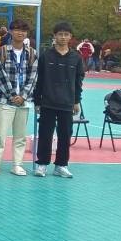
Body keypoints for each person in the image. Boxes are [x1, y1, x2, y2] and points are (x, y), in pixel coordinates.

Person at [33, 22, 85, 178]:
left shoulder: (76, 57)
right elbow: (39, 80)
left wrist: (76, 101)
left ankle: (61, 165)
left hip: (67, 103)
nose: (63, 37)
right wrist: (37, 101)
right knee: (45, 134)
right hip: (47, 102)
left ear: (70, 37)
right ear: (54, 36)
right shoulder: (46, 56)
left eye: (66, 34)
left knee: (65, 135)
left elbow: (78, 81)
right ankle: (42, 164)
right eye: (60, 34)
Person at [0, 19, 38, 176]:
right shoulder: (1, 52)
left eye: (23, 30)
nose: (20, 33)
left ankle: (17, 165)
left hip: (24, 101)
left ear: (26, 33)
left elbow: (33, 77)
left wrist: (23, 96)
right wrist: (12, 95)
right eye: (16, 29)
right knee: (0, 134)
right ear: (10, 31)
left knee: (20, 136)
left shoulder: (32, 53)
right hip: (5, 100)